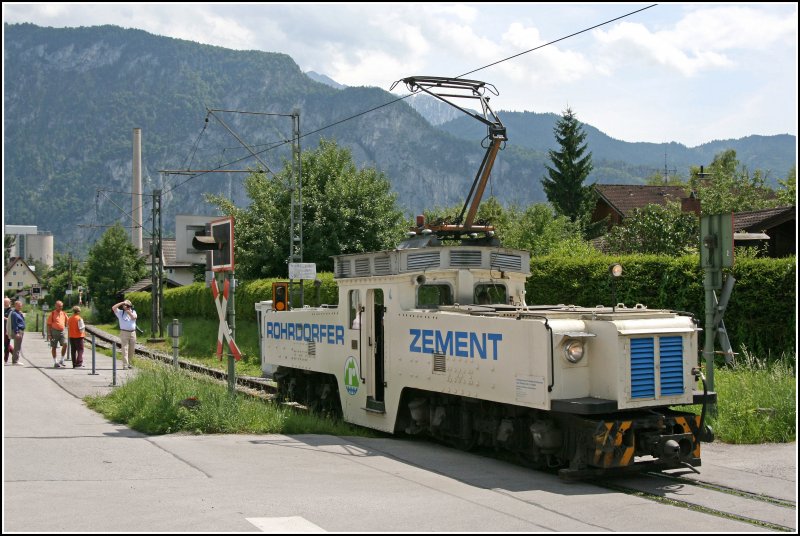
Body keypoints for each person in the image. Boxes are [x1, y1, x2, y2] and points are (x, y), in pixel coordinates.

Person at [112, 299, 137, 369]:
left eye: (129, 306)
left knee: (132, 349)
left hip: (133, 332)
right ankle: (125, 365)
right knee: (125, 349)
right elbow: (113, 308)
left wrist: (128, 311)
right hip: (124, 332)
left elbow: (134, 317)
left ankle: (130, 364)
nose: (128, 307)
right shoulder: (120, 313)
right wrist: (123, 303)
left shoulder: (133, 312)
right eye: (126, 306)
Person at [47, 300, 69, 368]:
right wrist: (49, 334)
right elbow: (48, 325)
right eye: (59, 306)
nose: (60, 307)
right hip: (54, 332)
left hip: (62, 331)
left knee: (65, 344)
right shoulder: (52, 314)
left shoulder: (64, 313)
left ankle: (62, 359)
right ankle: (55, 362)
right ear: (56, 306)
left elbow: (68, 322)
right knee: (54, 346)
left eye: (61, 306)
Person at [9, 300, 26, 365]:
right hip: (18, 331)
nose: (20, 307)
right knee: (17, 346)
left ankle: (15, 360)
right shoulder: (14, 313)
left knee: (18, 346)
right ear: (15, 306)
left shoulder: (19, 313)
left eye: (21, 306)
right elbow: (15, 324)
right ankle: (15, 361)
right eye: (18, 306)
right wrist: (16, 333)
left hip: (21, 330)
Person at [4, 297, 12, 364]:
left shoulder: (11, 310)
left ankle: (5, 359)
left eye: (6, 302)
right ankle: (15, 353)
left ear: (9, 302)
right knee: (5, 344)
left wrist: (4, 318)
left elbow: (11, 320)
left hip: (7, 329)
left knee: (6, 344)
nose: (4, 303)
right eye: (4, 302)